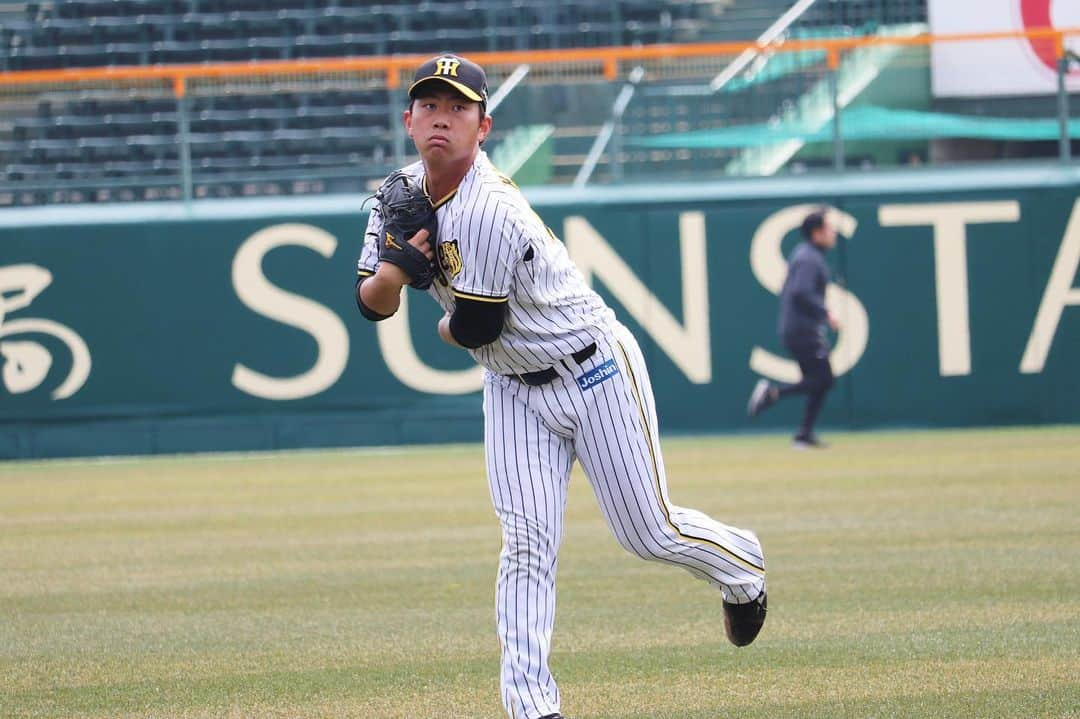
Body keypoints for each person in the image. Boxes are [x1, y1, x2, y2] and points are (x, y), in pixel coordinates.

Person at [354, 53, 767, 719]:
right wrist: (397, 272)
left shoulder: (488, 207)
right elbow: (370, 303)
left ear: (482, 127)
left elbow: (477, 327)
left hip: (591, 365)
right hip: (514, 387)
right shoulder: (396, 195)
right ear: (408, 119)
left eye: (458, 108)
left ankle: (741, 566)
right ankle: (531, 706)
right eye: (429, 105)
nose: (441, 119)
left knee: (649, 532)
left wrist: (431, 320)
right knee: (525, 542)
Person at [747, 208, 839, 448]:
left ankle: (804, 434)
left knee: (819, 381)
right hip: (802, 331)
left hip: (797, 329)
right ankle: (772, 394)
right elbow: (800, 291)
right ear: (816, 232)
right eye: (829, 227)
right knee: (823, 380)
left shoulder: (806, 255)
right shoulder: (809, 258)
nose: (834, 232)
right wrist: (826, 311)